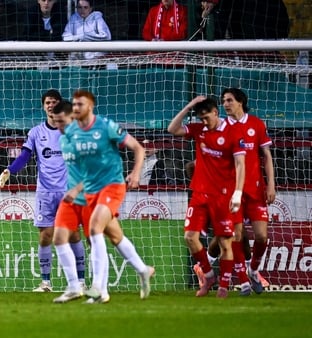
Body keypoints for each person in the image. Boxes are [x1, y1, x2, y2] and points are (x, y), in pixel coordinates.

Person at [65, 89, 155, 303]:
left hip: (113, 185)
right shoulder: (72, 133)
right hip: (91, 190)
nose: (76, 108)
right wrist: (76, 189)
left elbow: (138, 148)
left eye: (80, 104)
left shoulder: (106, 126)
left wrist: (135, 172)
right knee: (114, 236)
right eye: (74, 104)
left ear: (91, 106)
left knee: (95, 229)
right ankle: (143, 269)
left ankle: (100, 289)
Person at [0, 89, 86, 293]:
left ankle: (81, 281)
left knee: (73, 234)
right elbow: (24, 156)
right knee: (46, 235)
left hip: (68, 191)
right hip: (45, 192)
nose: (50, 105)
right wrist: (9, 170)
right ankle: (46, 282)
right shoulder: (36, 132)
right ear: (43, 106)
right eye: (47, 102)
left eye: (54, 101)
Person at [193, 88, 275, 295]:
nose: (226, 104)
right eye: (223, 101)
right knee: (233, 235)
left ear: (240, 102)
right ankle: (243, 281)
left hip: (255, 190)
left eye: (229, 100)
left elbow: (266, 155)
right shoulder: (220, 125)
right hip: (228, 191)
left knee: (261, 237)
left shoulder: (256, 124)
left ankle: (253, 270)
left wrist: (271, 184)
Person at [167, 95, 246, 298]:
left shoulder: (233, 132)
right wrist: (189, 105)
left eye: (206, 117)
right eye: (200, 118)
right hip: (200, 193)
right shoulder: (199, 129)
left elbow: (240, 164)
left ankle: (224, 286)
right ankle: (209, 276)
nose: (204, 122)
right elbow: (172, 129)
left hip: (223, 196)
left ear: (215, 112)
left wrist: (237, 192)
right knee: (190, 237)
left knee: (225, 242)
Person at [50, 100, 91, 303]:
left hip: (92, 196)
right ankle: (74, 286)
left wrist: (77, 189)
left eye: (61, 121)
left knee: (103, 239)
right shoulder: (64, 139)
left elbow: (96, 171)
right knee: (58, 237)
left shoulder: (86, 138)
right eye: (55, 122)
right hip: (71, 198)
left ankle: (141, 269)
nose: (58, 126)